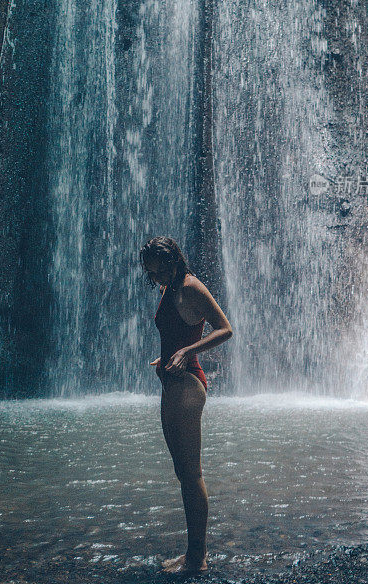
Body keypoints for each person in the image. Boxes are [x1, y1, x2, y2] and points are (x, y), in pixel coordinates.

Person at [139, 236, 233, 574]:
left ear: (175, 260)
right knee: (183, 474)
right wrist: (165, 356)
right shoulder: (170, 288)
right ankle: (192, 554)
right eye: (151, 273)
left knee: (191, 475)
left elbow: (225, 329)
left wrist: (185, 352)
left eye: (160, 269)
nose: (156, 277)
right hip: (171, 383)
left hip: (188, 386)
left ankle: (197, 559)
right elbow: (178, 331)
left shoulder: (191, 286)